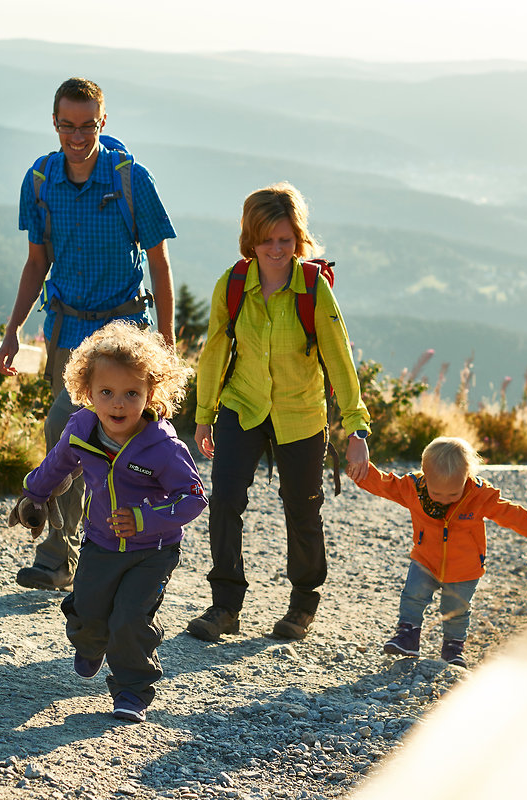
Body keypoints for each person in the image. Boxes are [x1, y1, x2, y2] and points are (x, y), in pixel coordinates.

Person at [0, 77, 178, 592]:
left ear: (103, 122)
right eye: (67, 125)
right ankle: (64, 554)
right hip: (64, 331)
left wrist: (164, 338)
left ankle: (99, 551)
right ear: (55, 123)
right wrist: (13, 331)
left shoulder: (129, 178)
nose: (77, 136)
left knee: (94, 434)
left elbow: (160, 262)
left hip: (122, 332)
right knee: (72, 436)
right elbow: (36, 263)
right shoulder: (39, 180)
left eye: (87, 125)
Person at [186, 182, 371, 643]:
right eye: (266, 240)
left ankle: (303, 604)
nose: (275, 249)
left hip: (300, 412)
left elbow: (339, 359)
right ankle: (225, 605)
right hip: (242, 403)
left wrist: (357, 427)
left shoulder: (313, 289)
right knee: (225, 501)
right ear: (251, 239)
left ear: (298, 240)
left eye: (285, 240)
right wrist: (204, 414)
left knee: (302, 509)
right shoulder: (232, 285)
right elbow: (213, 353)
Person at [10, 321, 206, 723]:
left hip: (151, 551)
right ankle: (90, 640)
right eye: (107, 393)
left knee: (130, 619)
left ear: (152, 393)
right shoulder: (82, 428)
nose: (119, 404)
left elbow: (193, 498)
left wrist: (144, 519)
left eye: (132, 394)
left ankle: (133, 690)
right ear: (87, 393)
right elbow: (57, 464)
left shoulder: (164, 448)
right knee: (88, 612)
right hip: (99, 543)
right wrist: (34, 494)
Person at [352, 436, 527, 667]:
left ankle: (453, 647)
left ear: (467, 478)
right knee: (413, 595)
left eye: (453, 494)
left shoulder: (479, 495)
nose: (445, 500)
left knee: (456, 610)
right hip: (425, 559)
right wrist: (362, 472)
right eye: (437, 494)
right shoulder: (413, 489)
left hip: (465, 568)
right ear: (425, 476)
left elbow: (507, 512)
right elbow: (385, 484)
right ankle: (407, 635)